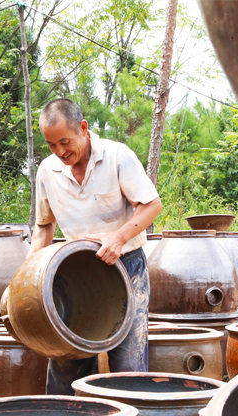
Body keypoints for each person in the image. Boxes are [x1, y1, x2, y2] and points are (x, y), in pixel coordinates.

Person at [29, 98, 162, 394]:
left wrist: (119, 237)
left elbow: (152, 204)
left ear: (83, 128)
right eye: (52, 146)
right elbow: (44, 226)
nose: (60, 152)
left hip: (126, 268)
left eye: (65, 142)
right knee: (66, 363)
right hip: (75, 273)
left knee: (128, 366)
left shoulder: (117, 157)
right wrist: (26, 277)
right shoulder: (47, 171)